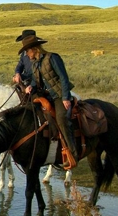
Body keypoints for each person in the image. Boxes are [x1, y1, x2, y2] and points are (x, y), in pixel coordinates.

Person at [18, 34, 78, 169]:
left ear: (34, 49)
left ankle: (72, 152)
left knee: (62, 118)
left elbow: (63, 77)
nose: (26, 55)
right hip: (47, 95)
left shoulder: (52, 58)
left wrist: (65, 97)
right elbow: (35, 80)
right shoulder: (35, 64)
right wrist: (30, 87)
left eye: (27, 51)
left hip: (58, 95)